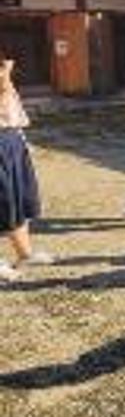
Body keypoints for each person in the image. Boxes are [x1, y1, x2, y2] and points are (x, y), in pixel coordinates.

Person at [0, 55, 54, 281]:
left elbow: (15, 116)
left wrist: (23, 143)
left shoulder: (8, 86)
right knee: (2, 202)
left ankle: (25, 253)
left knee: (19, 200)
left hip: (12, 143)